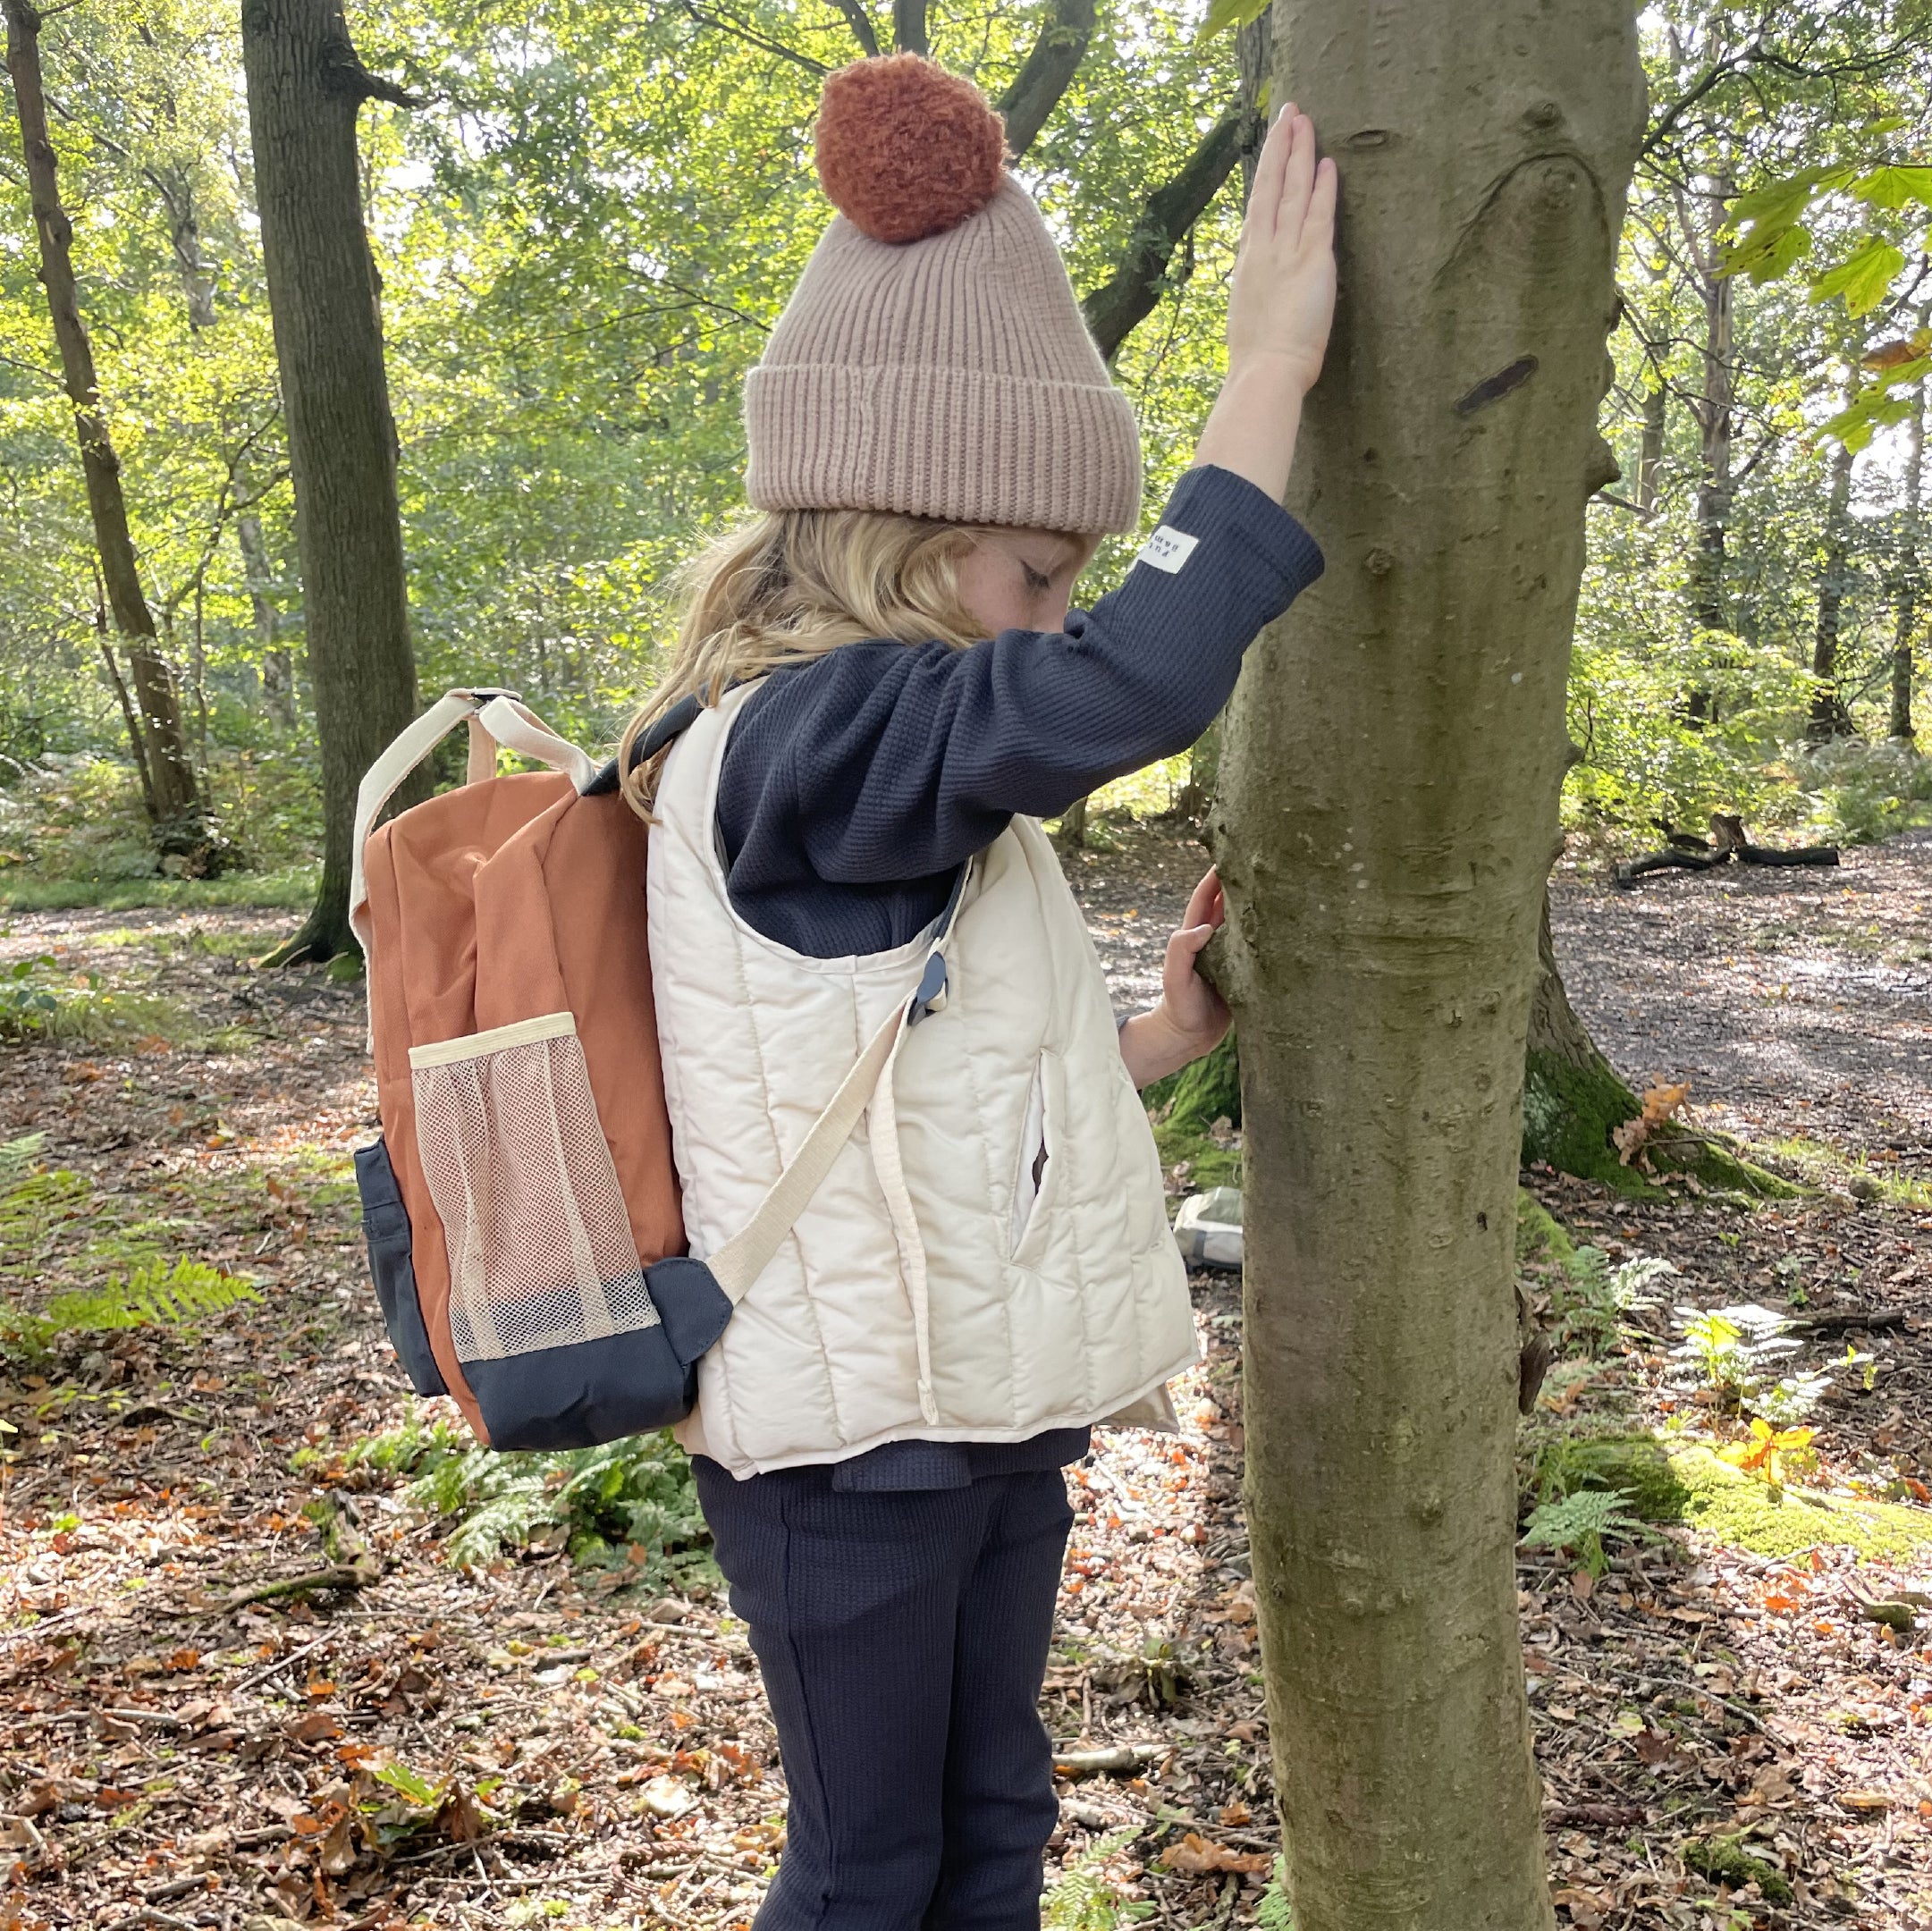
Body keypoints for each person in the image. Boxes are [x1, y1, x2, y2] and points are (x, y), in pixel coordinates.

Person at [621, 51, 1336, 1931]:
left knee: (991, 1825)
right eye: (1039, 573)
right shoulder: (802, 735)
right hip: (847, 1454)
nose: (1055, 612)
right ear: (924, 547)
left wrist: (1157, 1045)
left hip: (968, 1415)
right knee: (870, 1870)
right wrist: (1266, 377)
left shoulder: (877, 762)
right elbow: (1126, 688)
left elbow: (910, 1078)